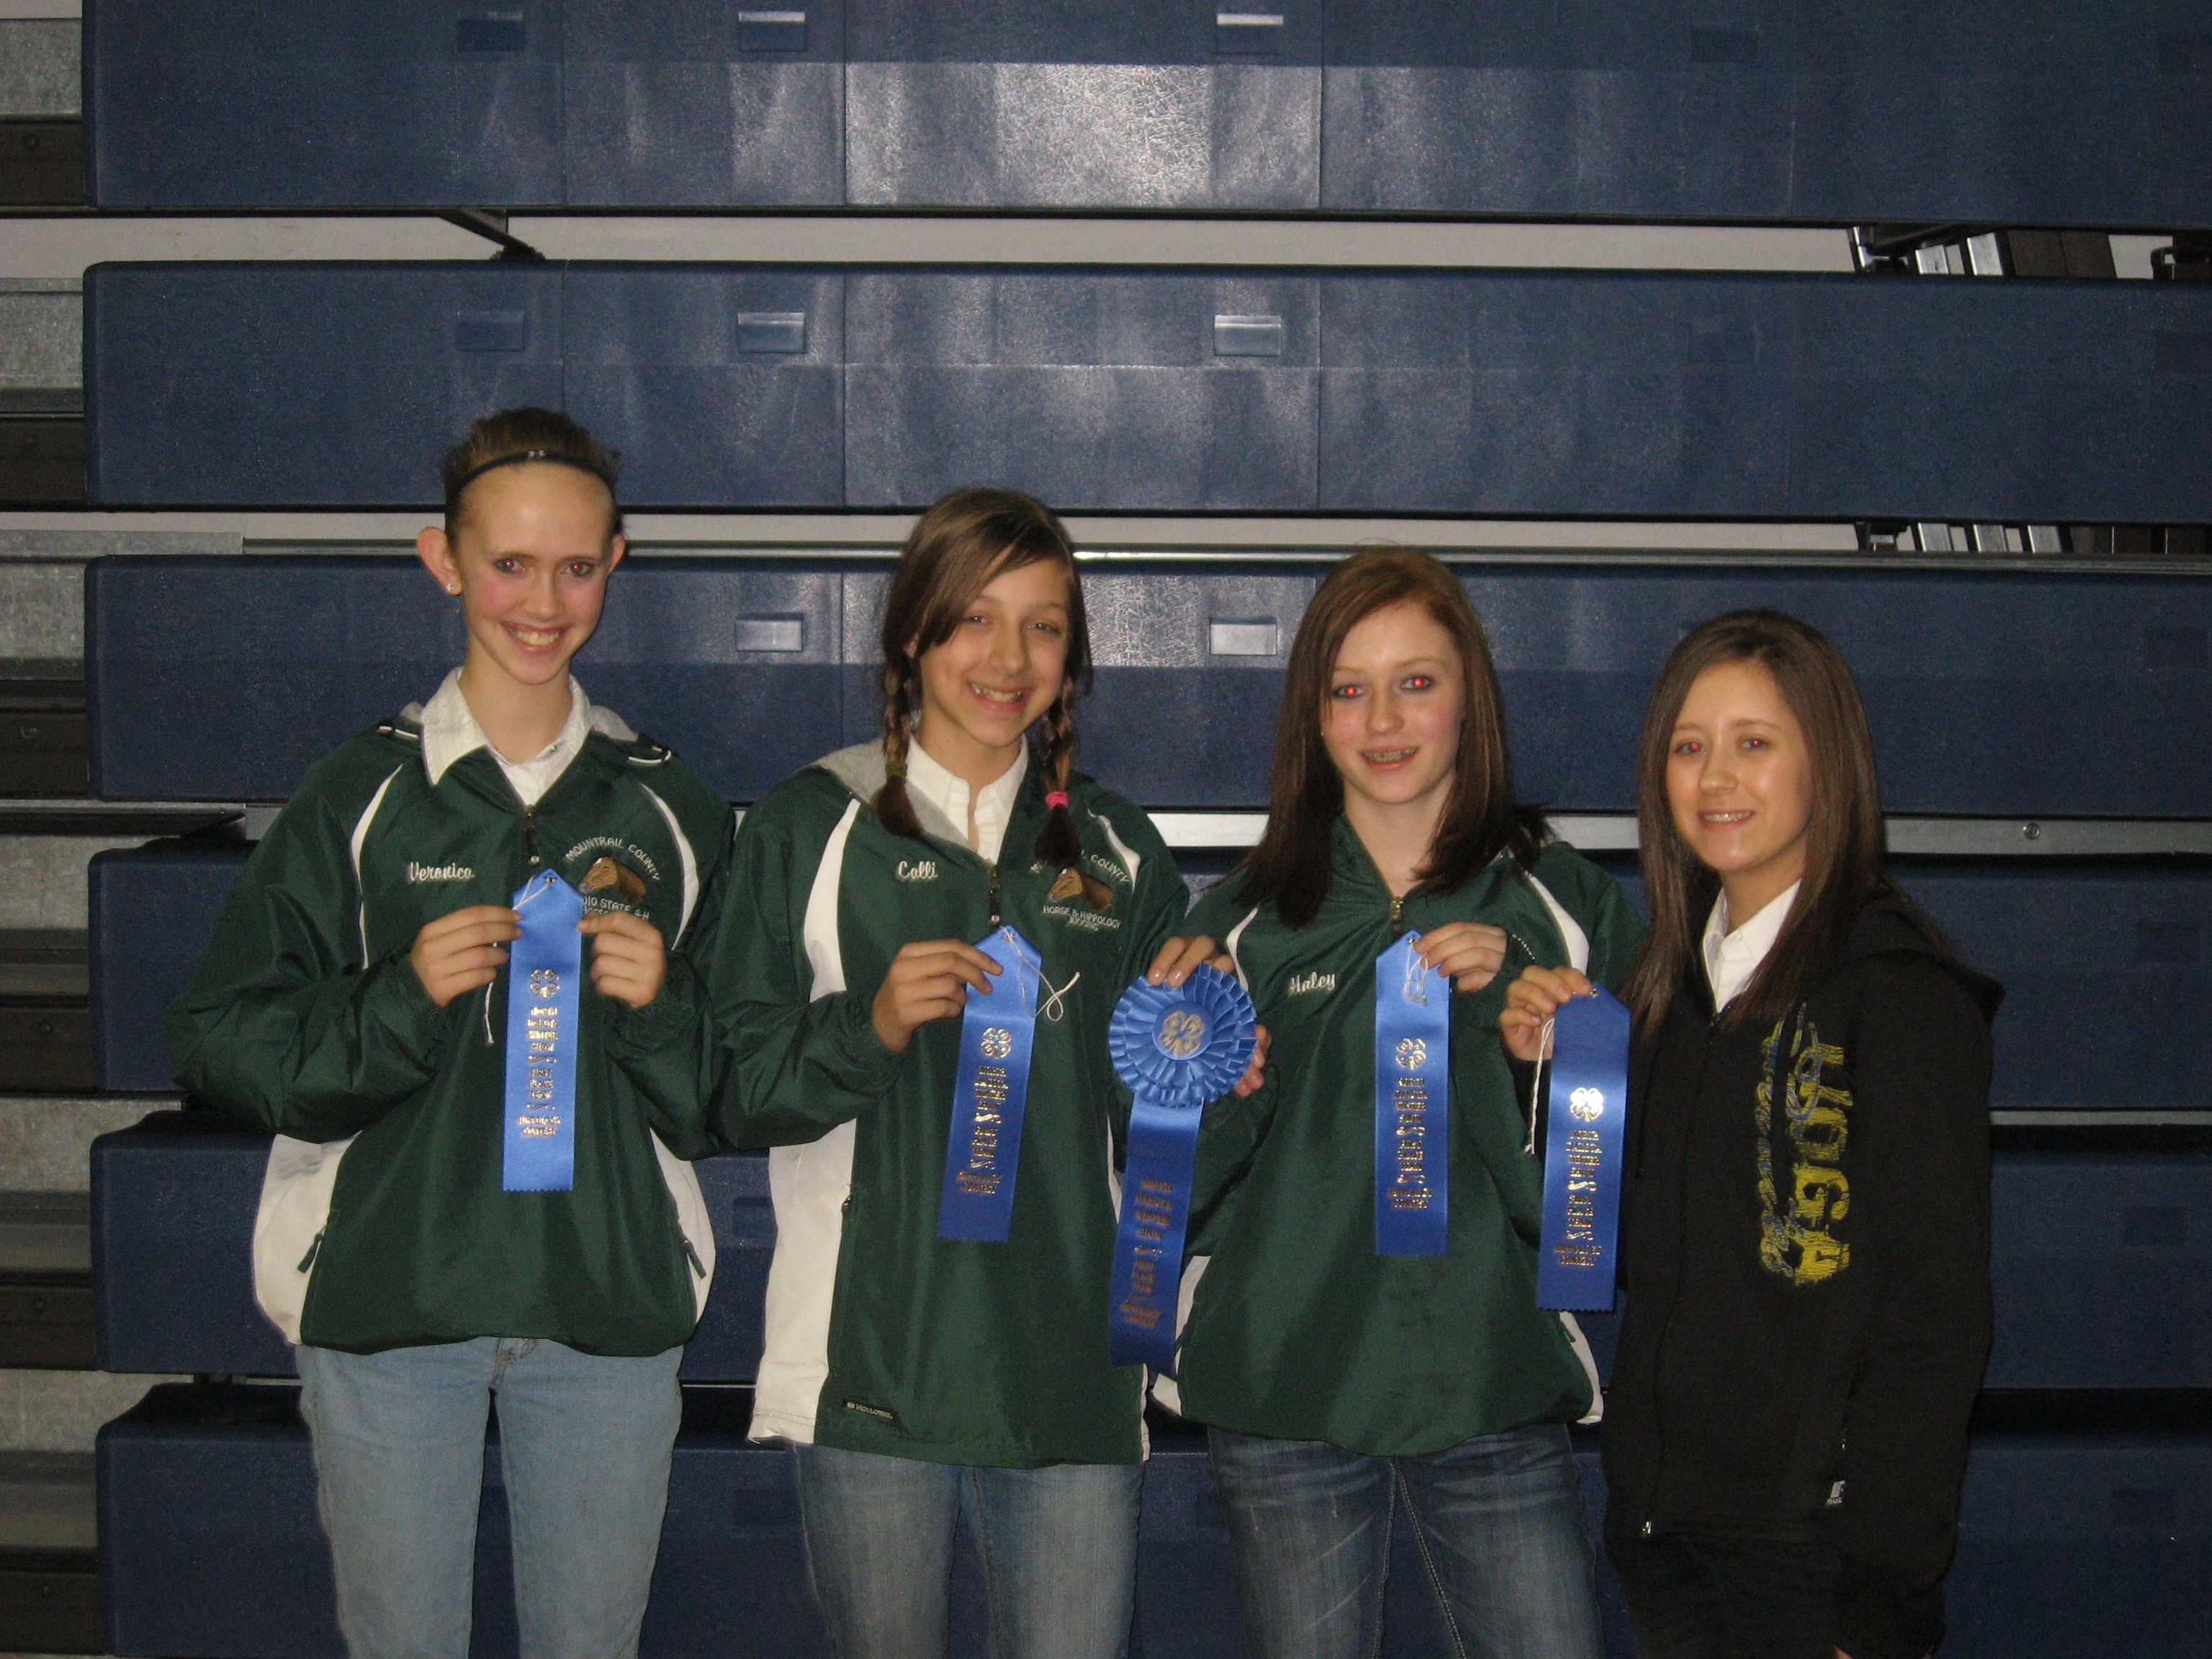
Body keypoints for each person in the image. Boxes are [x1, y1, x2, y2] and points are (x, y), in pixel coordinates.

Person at [166, 408, 734, 1659]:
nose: (545, 601)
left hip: (604, 1309)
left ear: (616, 565)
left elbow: (720, 1097)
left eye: (577, 566)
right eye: (510, 564)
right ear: (443, 560)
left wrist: (663, 1010)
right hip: (389, 1307)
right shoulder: (356, 796)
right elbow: (216, 1038)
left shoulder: (674, 805)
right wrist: (397, 998)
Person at [669, 487, 1248, 1659]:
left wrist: (1226, 1075)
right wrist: (868, 1026)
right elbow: (723, 1088)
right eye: (974, 620)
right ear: (913, 634)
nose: (1008, 657)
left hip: (1075, 1377)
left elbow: (1154, 1140)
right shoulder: (808, 824)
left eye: (1043, 626)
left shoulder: (1118, 846)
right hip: (870, 1372)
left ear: (1074, 656)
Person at [1503, 608, 1999, 1659]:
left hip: (1815, 1562)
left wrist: (1885, 1595)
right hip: (1668, 1538)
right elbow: (1629, 1252)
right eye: (1689, 748)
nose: (1717, 778)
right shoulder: (1666, 995)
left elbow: (1935, 1316)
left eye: (1754, 743)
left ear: (1829, 762)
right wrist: (1548, 1080)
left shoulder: (1898, 990)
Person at [1175, 546, 1643, 1659]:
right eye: (1349, 688)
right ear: (1313, 715)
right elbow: (1170, 1184)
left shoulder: (1564, 907)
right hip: (1286, 1399)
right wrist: (1225, 1082)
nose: (1383, 720)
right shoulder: (1239, 923)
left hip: (1492, 1392)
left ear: (1469, 698)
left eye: (1416, 682)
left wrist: (1523, 1044)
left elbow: (1595, 1216)